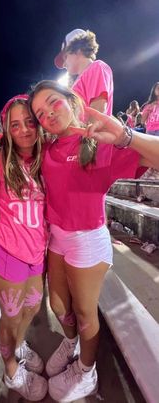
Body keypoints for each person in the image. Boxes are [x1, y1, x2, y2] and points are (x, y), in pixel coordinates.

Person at [27, 80, 159, 402]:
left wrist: (126, 136)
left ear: (72, 101)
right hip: (56, 238)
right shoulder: (47, 148)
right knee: (58, 306)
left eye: (53, 104)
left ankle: (87, 371)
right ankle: (70, 342)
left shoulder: (96, 143)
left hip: (87, 239)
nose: (47, 116)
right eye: (40, 114)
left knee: (86, 313)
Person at [0, 95, 48, 401]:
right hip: (7, 252)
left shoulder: (47, 156)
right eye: (15, 125)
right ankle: (12, 369)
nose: (25, 130)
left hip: (37, 253)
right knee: (12, 316)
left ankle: (18, 345)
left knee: (32, 308)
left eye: (30, 122)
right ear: (8, 129)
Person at [54, 28, 114, 115]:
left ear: (78, 50)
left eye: (65, 57)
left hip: (91, 129)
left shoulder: (96, 67)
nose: (64, 65)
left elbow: (97, 111)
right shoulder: (77, 81)